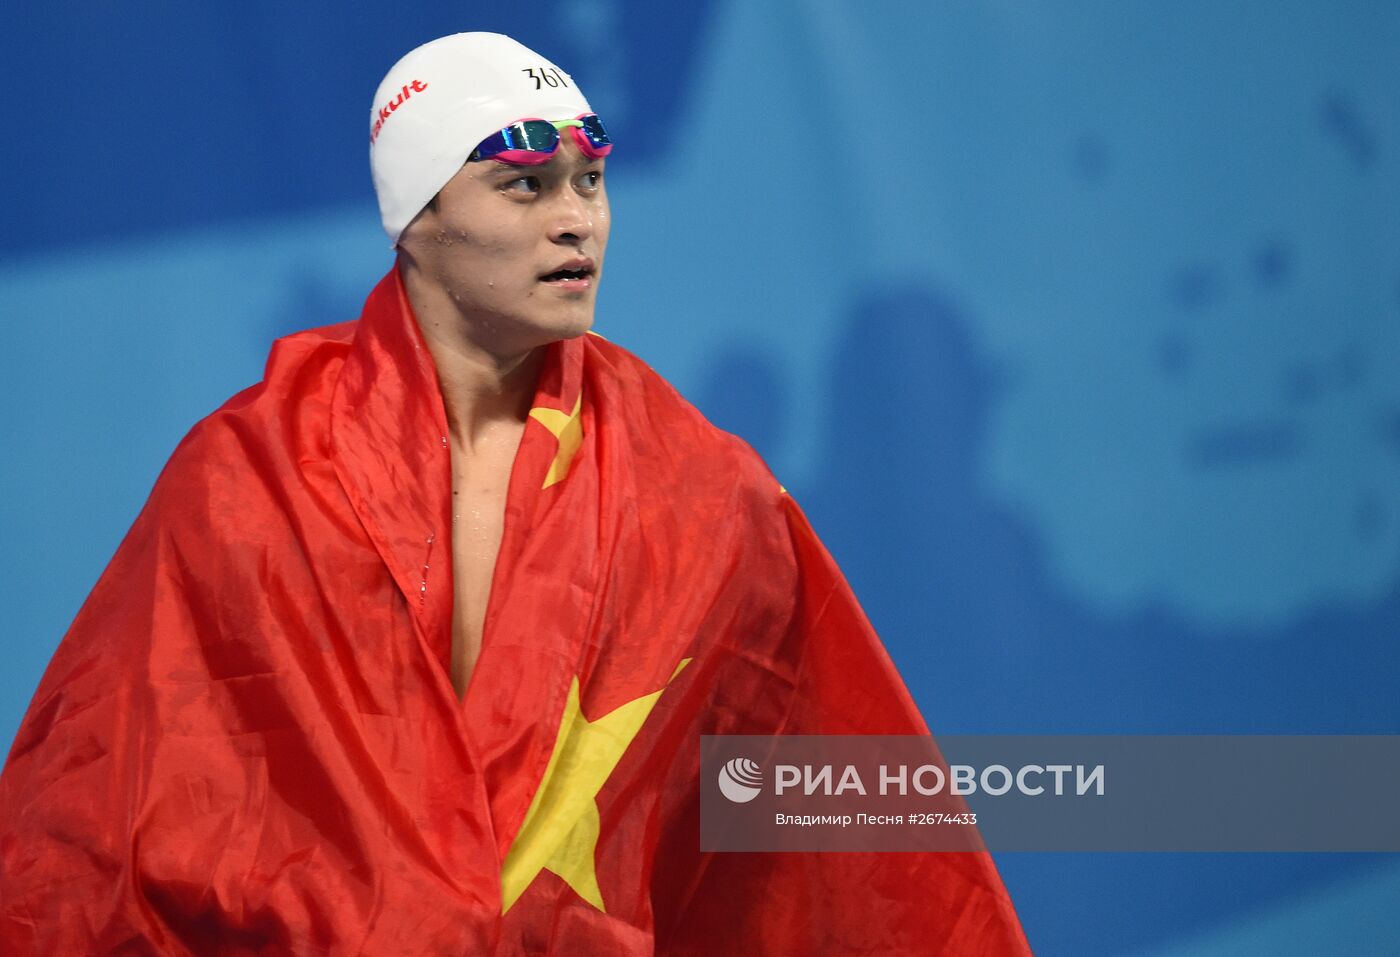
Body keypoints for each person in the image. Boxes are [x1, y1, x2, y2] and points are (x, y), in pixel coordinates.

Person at [0, 32, 1030, 955]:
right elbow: (93, 805)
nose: (575, 221)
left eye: (589, 180)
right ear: (414, 219)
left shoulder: (701, 492)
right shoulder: (249, 475)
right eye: (526, 186)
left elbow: (830, 826)